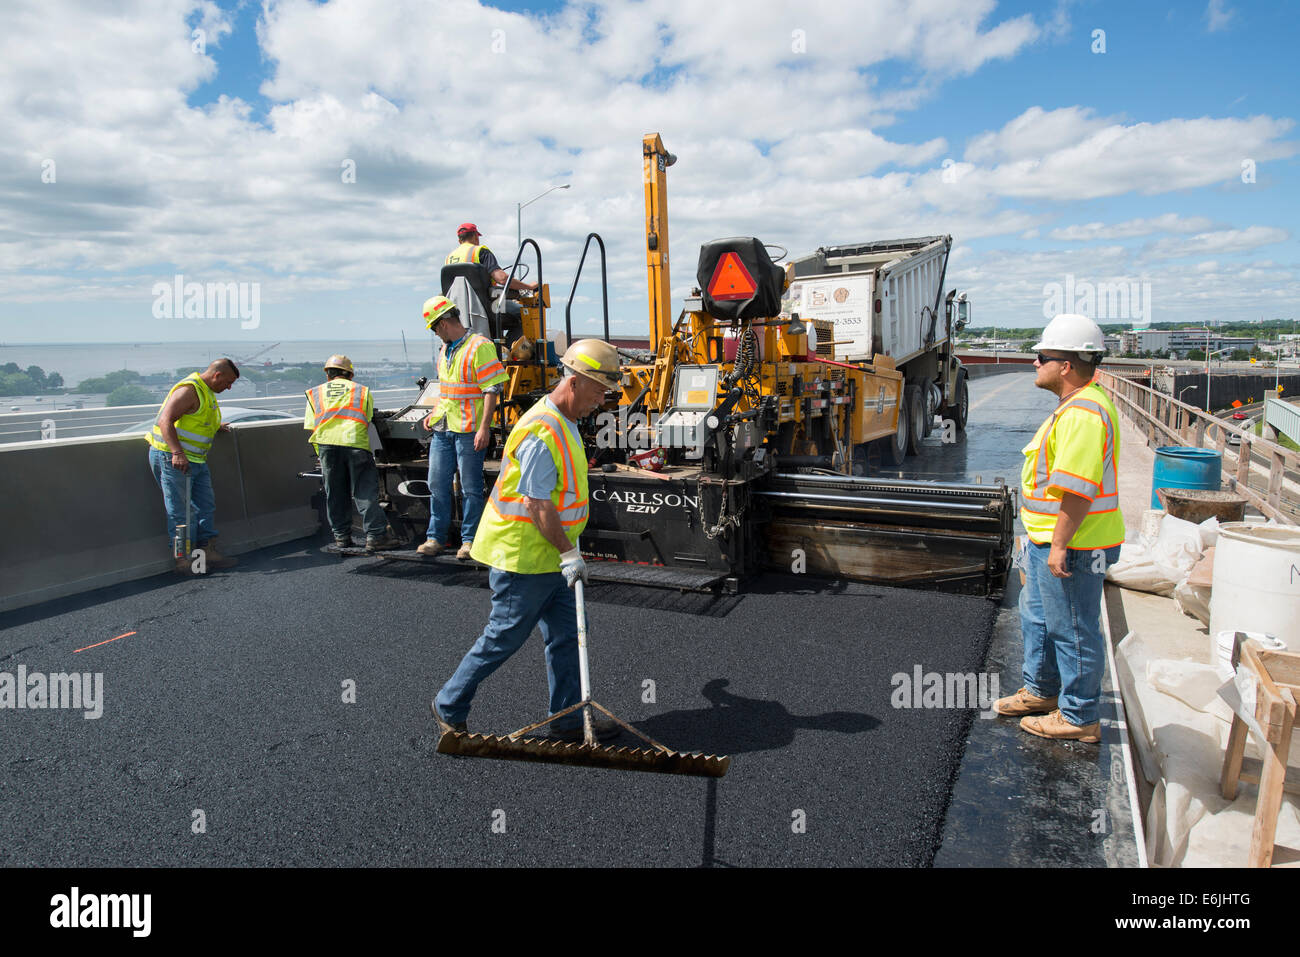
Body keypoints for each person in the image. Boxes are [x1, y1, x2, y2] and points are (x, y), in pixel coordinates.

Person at [432, 339, 620, 742]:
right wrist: (570, 552)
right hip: (523, 558)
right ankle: (449, 704)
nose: (601, 401)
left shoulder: (564, 421)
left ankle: (568, 718)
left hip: (552, 556)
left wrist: (566, 552)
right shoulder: (540, 429)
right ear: (575, 381)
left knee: (570, 635)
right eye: (599, 390)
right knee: (504, 636)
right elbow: (536, 502)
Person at [994, 314, 1125, 743]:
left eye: (1041, 357)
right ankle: (1040, 691)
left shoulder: (1084, 414)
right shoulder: (1071, 407)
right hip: (1047, 538)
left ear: (1065, 365)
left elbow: (1077, 492)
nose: (1034, 363)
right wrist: (1035, 537)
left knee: (1071, 629)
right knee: (1038, 618)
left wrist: (1058, 547)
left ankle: (1079, 716)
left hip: (1075, 545)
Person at [417, 296, 510, 559]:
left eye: (435, 328)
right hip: (443, 429)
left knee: (470, 487)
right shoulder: (445, 351)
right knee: (437, 484)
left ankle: (470, 541)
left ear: (444, 323)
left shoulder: (480, 346)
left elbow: (491, 389)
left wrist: (484, 428)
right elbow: (447, 390)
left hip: (469, 429)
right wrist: (435, 413)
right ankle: (435, 538)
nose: (436, 334)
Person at [146, 358, 240, 573]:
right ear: (217, 375)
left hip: (196, 460)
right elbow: (165, 421)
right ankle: (183, 560)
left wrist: (215, 426)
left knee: (206, 506)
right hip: (174, 460)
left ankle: (206, 552)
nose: (228, 387)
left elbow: (195, 418)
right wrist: (177, 453)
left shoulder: (206, 391)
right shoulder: (189, 389)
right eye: (228, 382)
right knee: (181, 513)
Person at [304, 354, 400, 553]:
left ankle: (341, 537)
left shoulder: (315, 393)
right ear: (349, 374)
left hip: (327, 446)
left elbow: (311, 427)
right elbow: (367, 418)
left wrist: (322, 455)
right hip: (355, 443)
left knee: (335, 493)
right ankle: (376, 536)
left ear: (328, 374)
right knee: (364, 492)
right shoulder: (361, 391)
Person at [446, 222, 538, 295]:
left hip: (457, 307)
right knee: (520, 312)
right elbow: (502, 279)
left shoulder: (449, 257)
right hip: (483, 307)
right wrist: (529, 287)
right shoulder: (480, 251)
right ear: (475, 236)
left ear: (459, 240)